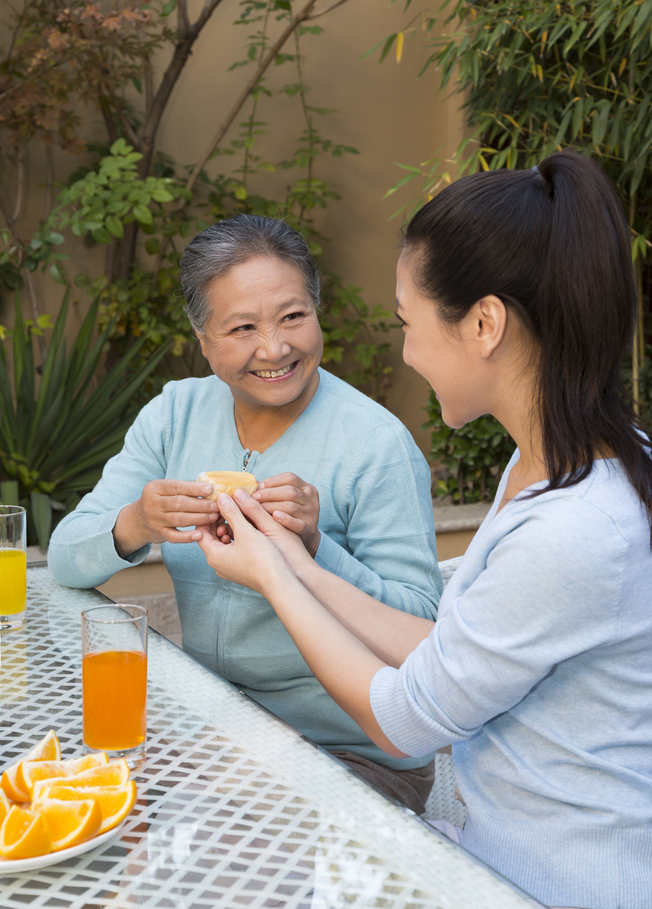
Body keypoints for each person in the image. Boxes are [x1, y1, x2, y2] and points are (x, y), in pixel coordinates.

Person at [193, 154, 652, 909]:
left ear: (482, 323)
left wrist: (273, 578)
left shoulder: (578, 528)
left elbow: (405, 720)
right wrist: (299, 560)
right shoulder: (557, 462)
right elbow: (449, 648)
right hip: (498, 857)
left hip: (565, 885)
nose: (406, 352)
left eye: (407, 325)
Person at [48, 214, 442, 814]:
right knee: (73, 809)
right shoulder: (174, 415)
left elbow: (421, 634)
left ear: (318, 313)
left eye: (293, 316)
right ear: (202, 338)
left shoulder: (376, 445)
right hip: (211, 731)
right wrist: (136, 521)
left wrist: (314, 547)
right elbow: (67, 555)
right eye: (242, 327)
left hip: (352, 753)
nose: (274, 348)